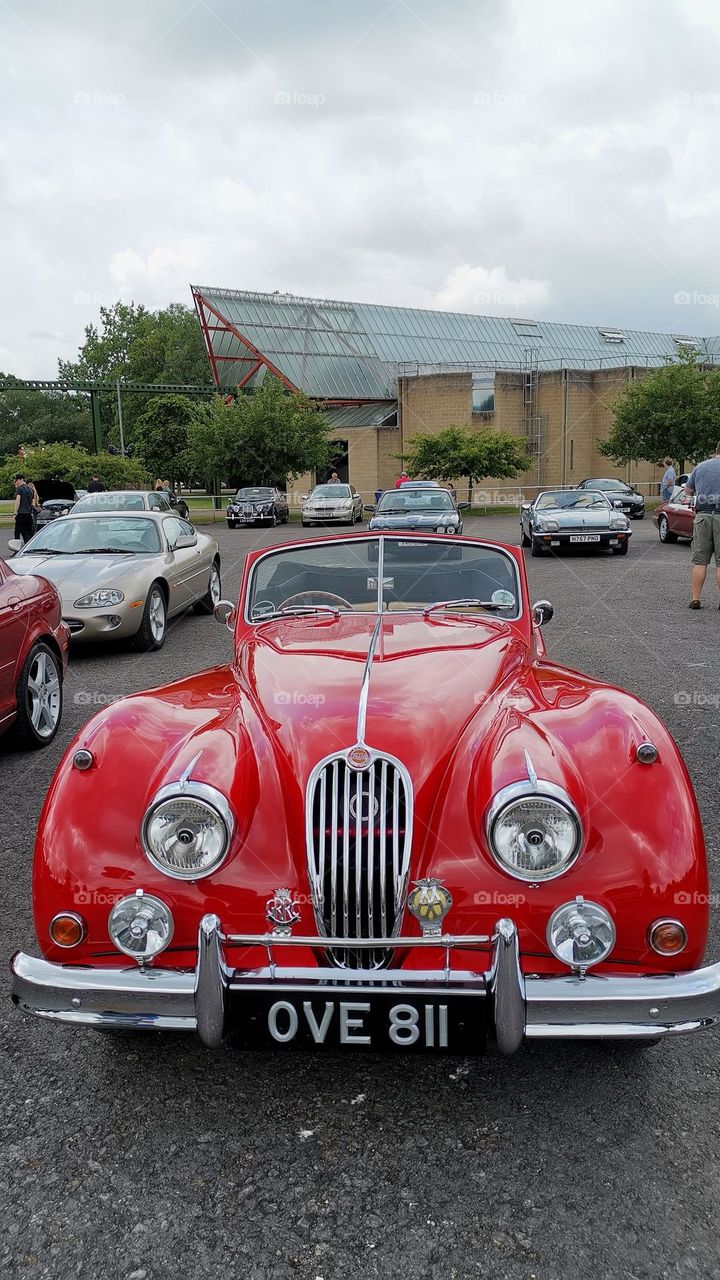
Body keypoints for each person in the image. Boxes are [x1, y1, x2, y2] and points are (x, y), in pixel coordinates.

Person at [684, 443, 720, 608]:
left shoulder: (701, 467)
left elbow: (688, 491)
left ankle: (695, 599)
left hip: (703, 516)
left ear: (716, 451)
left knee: (700, 561)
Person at [13, 474, 35, 545]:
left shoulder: (19, 489)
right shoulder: (31, 490)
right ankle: (29, 546)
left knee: (17, 533)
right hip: (28, 514)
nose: (16, 482)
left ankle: (17, 549)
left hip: (21, 514)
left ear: (20, 480)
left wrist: (15, 513)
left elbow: (18, 501)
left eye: (16, 481)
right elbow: (33, 503)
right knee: (29, 533)